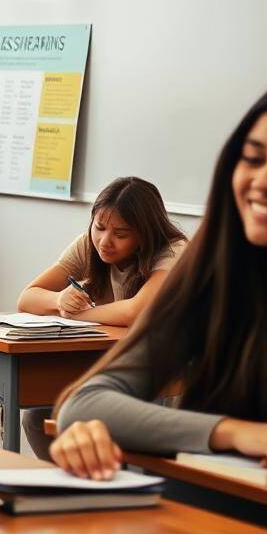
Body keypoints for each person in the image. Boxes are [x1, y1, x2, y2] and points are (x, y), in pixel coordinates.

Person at [52, 78, 267, 482]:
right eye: (252, 160)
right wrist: (235, 432)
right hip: (214, 513)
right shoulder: (217, 277)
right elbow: (84, 404)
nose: (263, 182)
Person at [16, 176, 187, 458]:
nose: (105, 241)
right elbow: (27, 297)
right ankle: (74, 492)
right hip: (122, 364)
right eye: (100, 227)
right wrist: (59, 299)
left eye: (121, 234)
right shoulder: (90, 244)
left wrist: (77, 312)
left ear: (145, 234)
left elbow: (135, 312)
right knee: (37, 419)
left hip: (173, 374)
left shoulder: (173, 251)